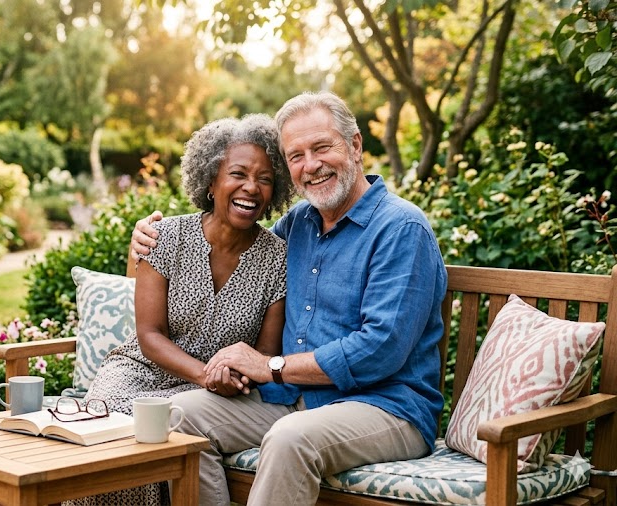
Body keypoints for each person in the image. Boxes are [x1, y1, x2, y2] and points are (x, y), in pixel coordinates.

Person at [130, 91, 448, 505]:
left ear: (354, 146)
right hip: (297, 400)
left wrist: (270, 366)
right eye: (295, 155)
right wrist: (147, 241)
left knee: (288, 439)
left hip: (385, 407)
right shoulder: (298, 224)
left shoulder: (401, 229)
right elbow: (234, 238)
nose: (310, 165)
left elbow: (380, 349)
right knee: (181, 415)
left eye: (321, 147)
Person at [67, 114, 294, 506]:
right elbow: (150, 336)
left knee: (163, 425)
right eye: (238, 173)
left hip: (215, 391)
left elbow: (265, 355)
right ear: (210, 180)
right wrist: (206, 375)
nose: (251, 188)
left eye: (265, 179)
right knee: (112, 422)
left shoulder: (278, 259)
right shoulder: (166, 236)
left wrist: (221, 379)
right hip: (142, 369)